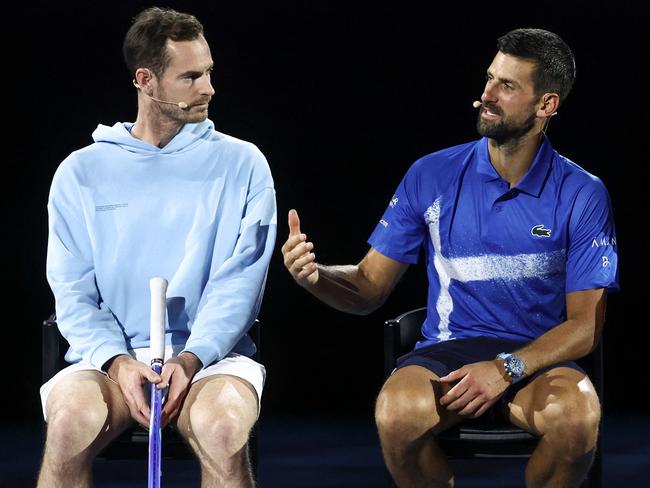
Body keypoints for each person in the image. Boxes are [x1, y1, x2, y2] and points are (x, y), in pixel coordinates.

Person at [282, 28, 618, 487]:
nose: (487, 95)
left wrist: (505, 369)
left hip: (537, 359)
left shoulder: (583, 193)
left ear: (547, 106)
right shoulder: (431, 174)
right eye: (489, 78)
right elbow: (366, 287)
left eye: (507, 85)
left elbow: (585, 326)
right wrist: (315, 277)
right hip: (448, 353)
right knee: (396, 415)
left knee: (577, 421)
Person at [39, 7, 276, 487]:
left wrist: (191, 360)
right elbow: (72, 291)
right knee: (67, 425)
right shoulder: (79, 173)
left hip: (210, 359)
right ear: (145, 80)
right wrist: (118, 361)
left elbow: (241, 285)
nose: (209, 88)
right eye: (191, 77)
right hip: (105, 361)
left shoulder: (244, 163)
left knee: (223, 425)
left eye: (208, 72)